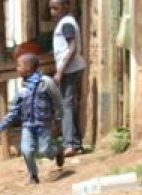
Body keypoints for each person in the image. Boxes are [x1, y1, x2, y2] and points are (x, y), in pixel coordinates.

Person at [0, 53, 63, 185]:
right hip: (28, 125)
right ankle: (33, 176)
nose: (17, 68)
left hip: (44, 123)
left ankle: (58, 150)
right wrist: (1, 126)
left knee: (44, 151)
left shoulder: (45, 82)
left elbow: (57, 100)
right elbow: (14, 111)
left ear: (28, 67)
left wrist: (58, 118)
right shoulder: (23, 87)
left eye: (19, 65)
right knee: (26, 150)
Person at [48, 0, 85, 157]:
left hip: (69, 69)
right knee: (69, 104)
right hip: (71, 68)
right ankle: (76, 144)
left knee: (66, 105)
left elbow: (73, 48)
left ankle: (69, 144)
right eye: (51, 8)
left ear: (66, 7)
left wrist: (60, 71)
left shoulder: (66, 24)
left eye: (56, 8)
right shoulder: (65, 22)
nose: (52, 11)